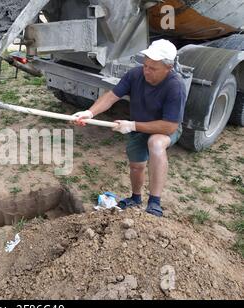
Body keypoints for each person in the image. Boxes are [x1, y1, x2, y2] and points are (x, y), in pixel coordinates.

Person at [73, 39, 186, 217]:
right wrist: (89, 112)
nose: (147, 71)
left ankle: (155, 202)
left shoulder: (175, 86)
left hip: (163, 129)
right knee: (136, 166)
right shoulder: (135, 74)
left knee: (155, 143)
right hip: (139, 127)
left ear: (168, 68)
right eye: (145, 65)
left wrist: (132, 125)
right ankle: (135, 198)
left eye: (153, 68)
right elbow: (111, 96)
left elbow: (170, 126)